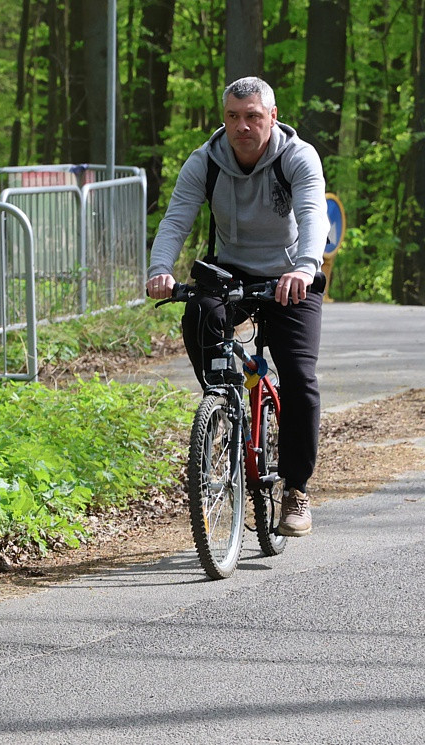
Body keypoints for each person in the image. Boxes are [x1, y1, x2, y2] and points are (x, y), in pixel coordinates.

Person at [146, 76, 329, 538]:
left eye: (252, 116)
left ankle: (296, 489)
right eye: (233, 117)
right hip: (230, 272)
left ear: (271, 115)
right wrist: (160, 269)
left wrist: (305, 268)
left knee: (300, 377)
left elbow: (312, 216)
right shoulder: (204, 161)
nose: (242, 126)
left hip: (291, 274)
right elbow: (176, 218)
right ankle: (223, 404)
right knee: (198, 314)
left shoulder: (297, 157)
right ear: (224, 118)